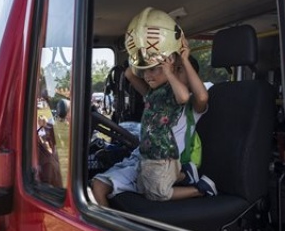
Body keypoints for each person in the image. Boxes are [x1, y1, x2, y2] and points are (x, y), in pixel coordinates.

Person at [91, 48, 216, 206]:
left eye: (178, 69)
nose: (170, 69)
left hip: (164, 160)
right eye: (166, 66)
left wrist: (182, 61)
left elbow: (202, 96)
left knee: (152, 192)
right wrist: (147, 49)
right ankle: (184, 176)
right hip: (141, 158)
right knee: (98, 185)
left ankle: (198, 187)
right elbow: (130, 73)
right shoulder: (157, 96)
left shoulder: (192, 104)